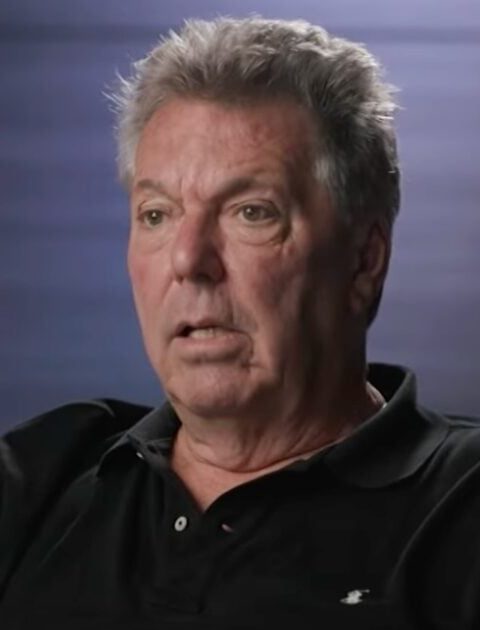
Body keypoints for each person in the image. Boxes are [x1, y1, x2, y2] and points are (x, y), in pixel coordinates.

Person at [1, 16, 479, 630]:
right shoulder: (43, 475)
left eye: (251, 212)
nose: (187, 260)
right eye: (156, 214)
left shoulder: (462, 508)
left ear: (364, 260)